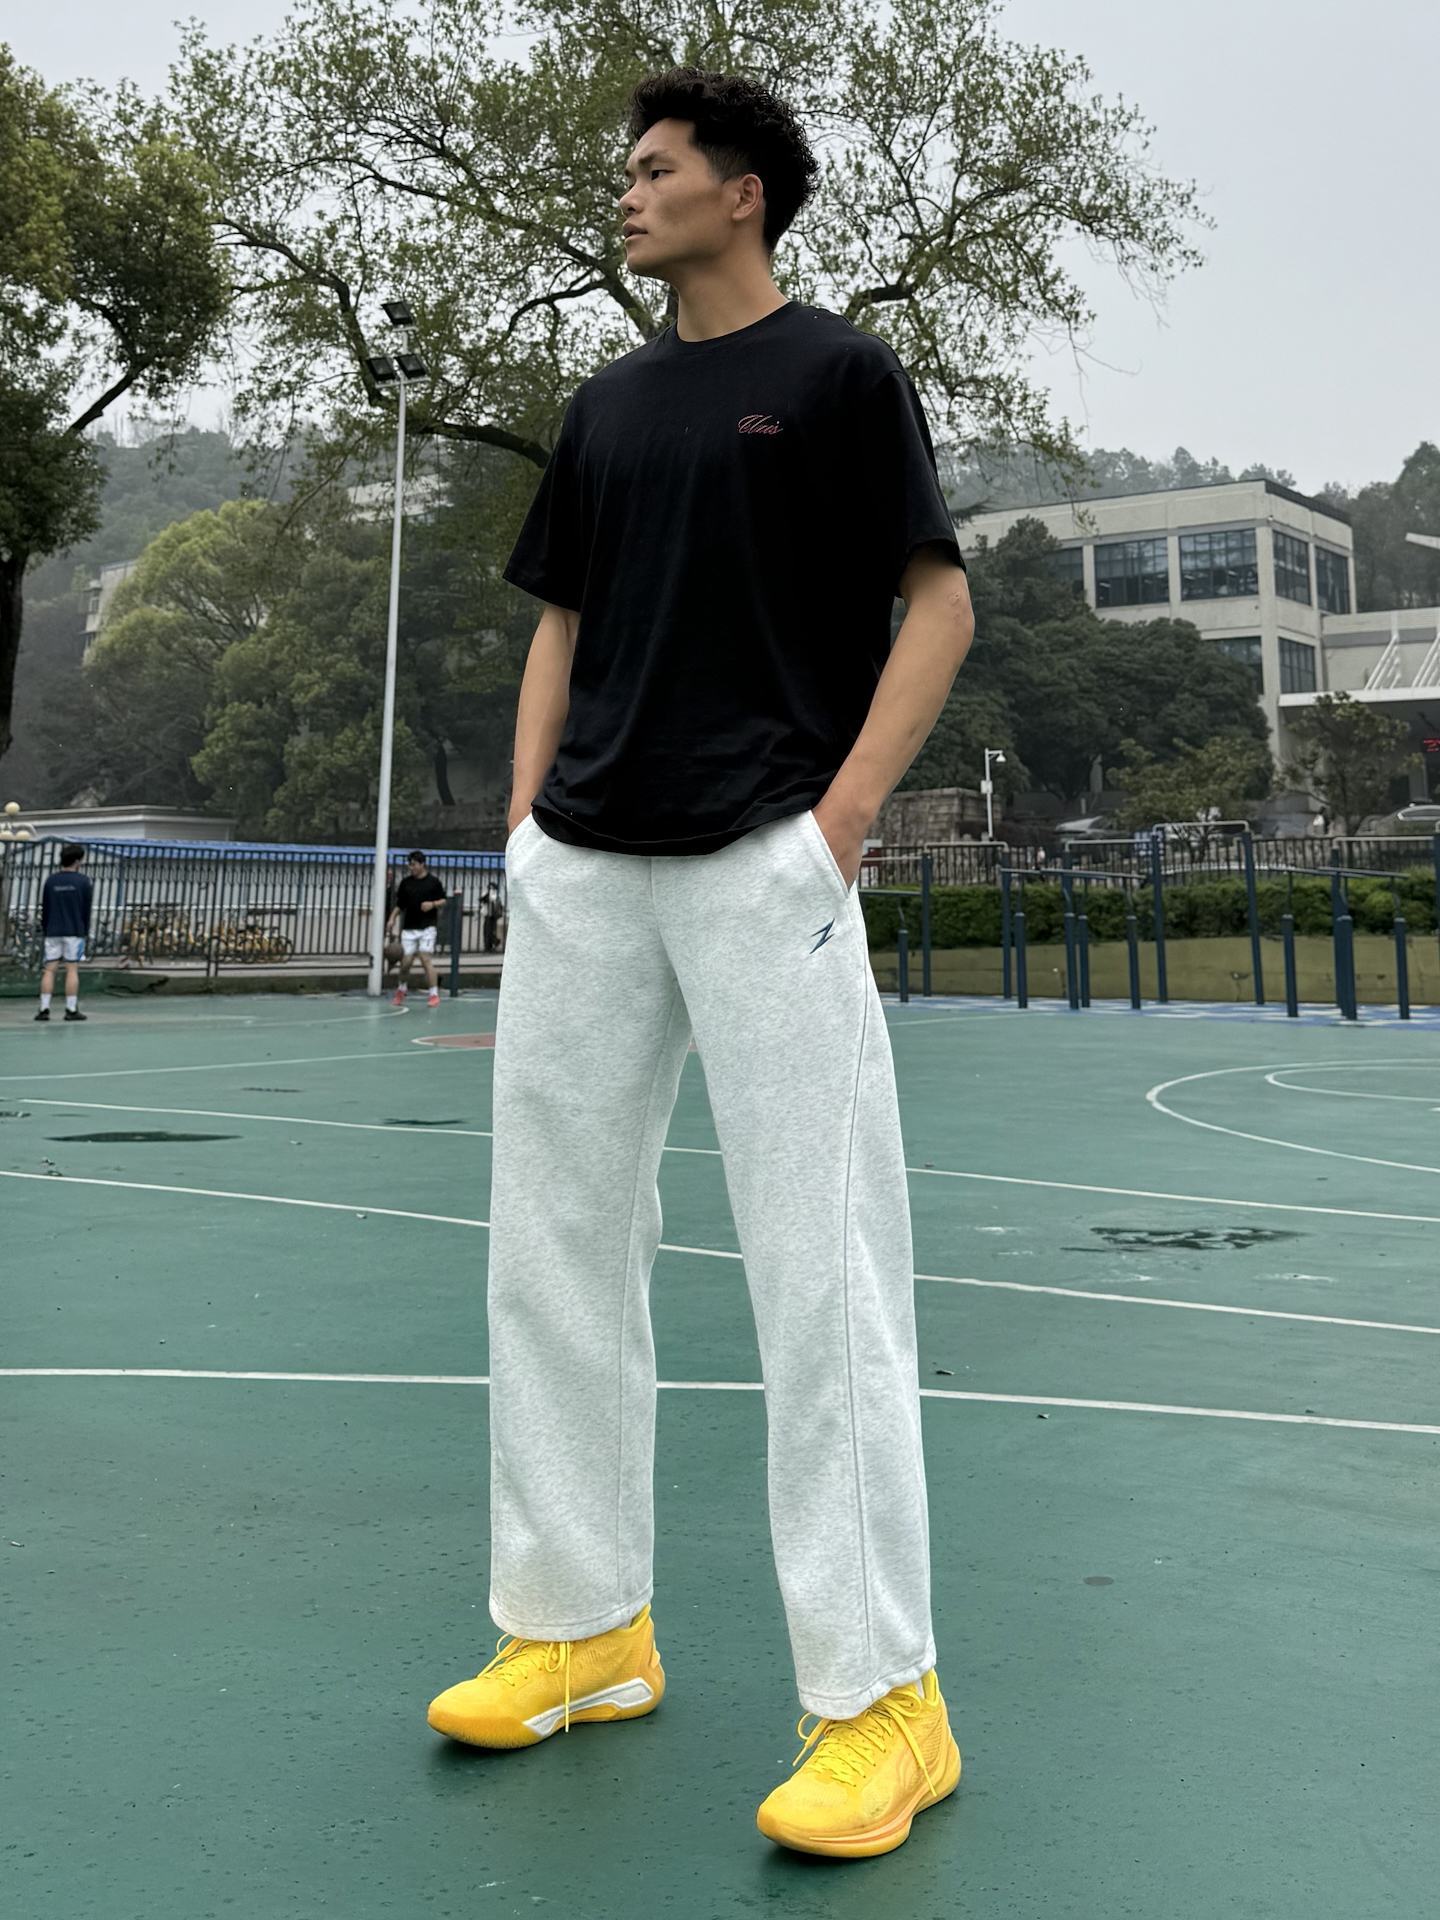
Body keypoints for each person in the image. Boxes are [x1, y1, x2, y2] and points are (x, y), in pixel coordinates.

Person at [426, 69, 975, 1861]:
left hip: (762, 860)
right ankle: (577, 1625)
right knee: (552, 1253)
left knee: (822, 1275)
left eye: (657, 169)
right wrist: (526, 826)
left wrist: (840, 822)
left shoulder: (839, 377)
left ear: (744, 194)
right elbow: (563, 626)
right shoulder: (606, 405)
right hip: (585, 870)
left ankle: (885, 1703)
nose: (631, 190)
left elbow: (940, 600)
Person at [36, 843, 92, 1023]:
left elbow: (45, 907)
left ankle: (44, 1008)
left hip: (52, 930)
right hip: (74, 931)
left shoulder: (51, 881)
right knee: (72, 969)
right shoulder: (83, 882)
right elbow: (86, 909)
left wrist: (46, 927)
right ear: (77, 861)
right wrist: (84, 930)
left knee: (49, 969)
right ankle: (71, 1008)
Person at [387, 851, 446, 1008]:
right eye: (409, 864)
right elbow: (400, 904)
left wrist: (432, 904)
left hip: (427, 927)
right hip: (409, 928)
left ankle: (434, 994)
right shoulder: (406, 883)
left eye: (413, 864)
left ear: (422, 864)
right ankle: (401, 989)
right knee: (405, 963)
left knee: (425, 959)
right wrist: (391, 919)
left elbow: (443, 900)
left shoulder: (433, 882)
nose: (410, 867)